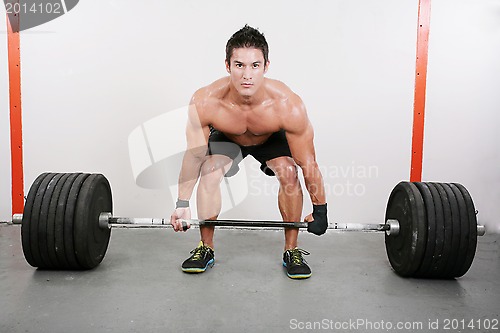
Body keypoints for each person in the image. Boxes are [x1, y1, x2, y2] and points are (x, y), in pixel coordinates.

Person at [170, 25, 328, 279]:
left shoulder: (288, 105)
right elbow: (194, 156)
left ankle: (292, 250)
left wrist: (320, 210)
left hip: (269, 137)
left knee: (289, 172)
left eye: (255, 65)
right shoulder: (206, 101)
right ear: (227, 65)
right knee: (210, 170)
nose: (247, 74)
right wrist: (181, 204)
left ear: (266, 66)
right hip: (229, 136)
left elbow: (308, 163)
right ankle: (205, 248)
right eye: (239, 65)